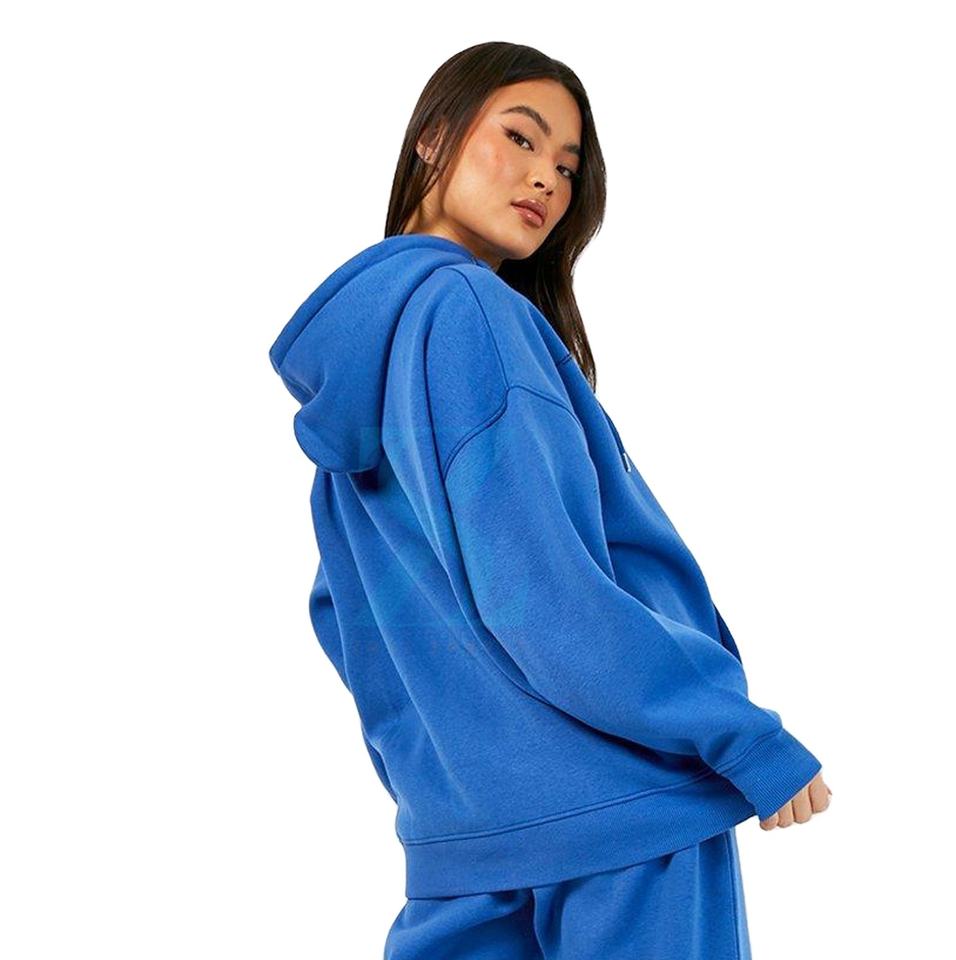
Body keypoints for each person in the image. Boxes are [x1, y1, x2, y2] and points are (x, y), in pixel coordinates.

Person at [268, 41, 832, 960]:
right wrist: (737, 735)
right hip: (624, 822)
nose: (545, 180)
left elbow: (347, 617)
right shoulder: (472, 313)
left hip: (467, 835)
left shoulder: (358, 374)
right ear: (432, 135)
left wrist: (446, 781)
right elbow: (539, 588)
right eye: (521, 139)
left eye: (568, 168)